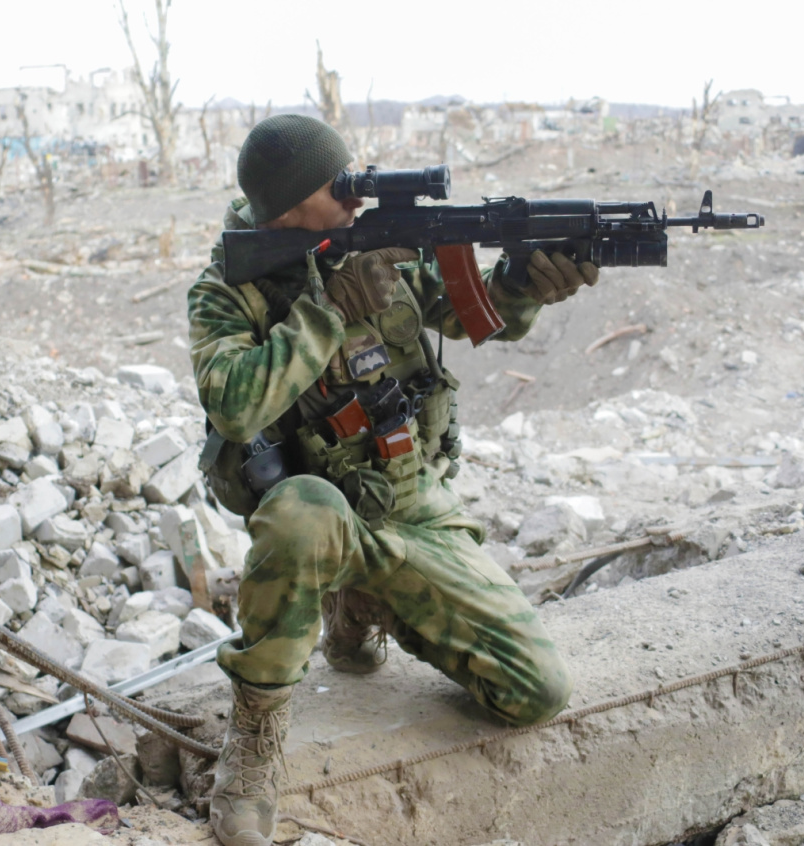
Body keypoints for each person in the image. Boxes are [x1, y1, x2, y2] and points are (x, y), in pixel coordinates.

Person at [188, 114, 599, 846]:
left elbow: (473, 315)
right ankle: (254, 738)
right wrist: (328, 311)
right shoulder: (229, 286)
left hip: (412, 500)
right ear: (288, 206)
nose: (356, 196)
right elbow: (234, 403)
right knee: (300, 512)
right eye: (337, 186)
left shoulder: (379, 246)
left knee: (537, 692)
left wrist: (525, 283)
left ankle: (364, 600)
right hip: (321, 512)